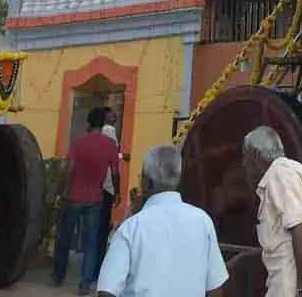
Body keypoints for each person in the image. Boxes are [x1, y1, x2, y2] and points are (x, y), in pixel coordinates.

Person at [96, 144, 228, 297]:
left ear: (147, 183)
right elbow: (216, 287)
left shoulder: (131, 228)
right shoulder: (203, 222)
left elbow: (107, 291)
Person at [242, 125, 302, 297]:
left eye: (245, 156)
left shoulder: (279, 175)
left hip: (289, 286)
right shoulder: (291, 170)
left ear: (256, 155)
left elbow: (299, 225)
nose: (243, 163)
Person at [52, 107, 120, 293]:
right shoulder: (110, 145)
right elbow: (114, 172)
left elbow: (69, 168)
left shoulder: (78, 142)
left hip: (73, 196)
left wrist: (60, 190)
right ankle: (85, 283)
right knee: (91, 241)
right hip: (95, 198)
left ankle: (58, 276)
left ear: (88, 124)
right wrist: (118, 192)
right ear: (103, 124)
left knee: (64, 237)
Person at [96, 107, 121, 276]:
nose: (115, 115)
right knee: (102, 227)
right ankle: (99, 265)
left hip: (96, 185)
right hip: (106, 186)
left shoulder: (97, 133)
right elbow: (114, 168)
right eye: (111, 113)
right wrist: (117, 190)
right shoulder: (109, 132)